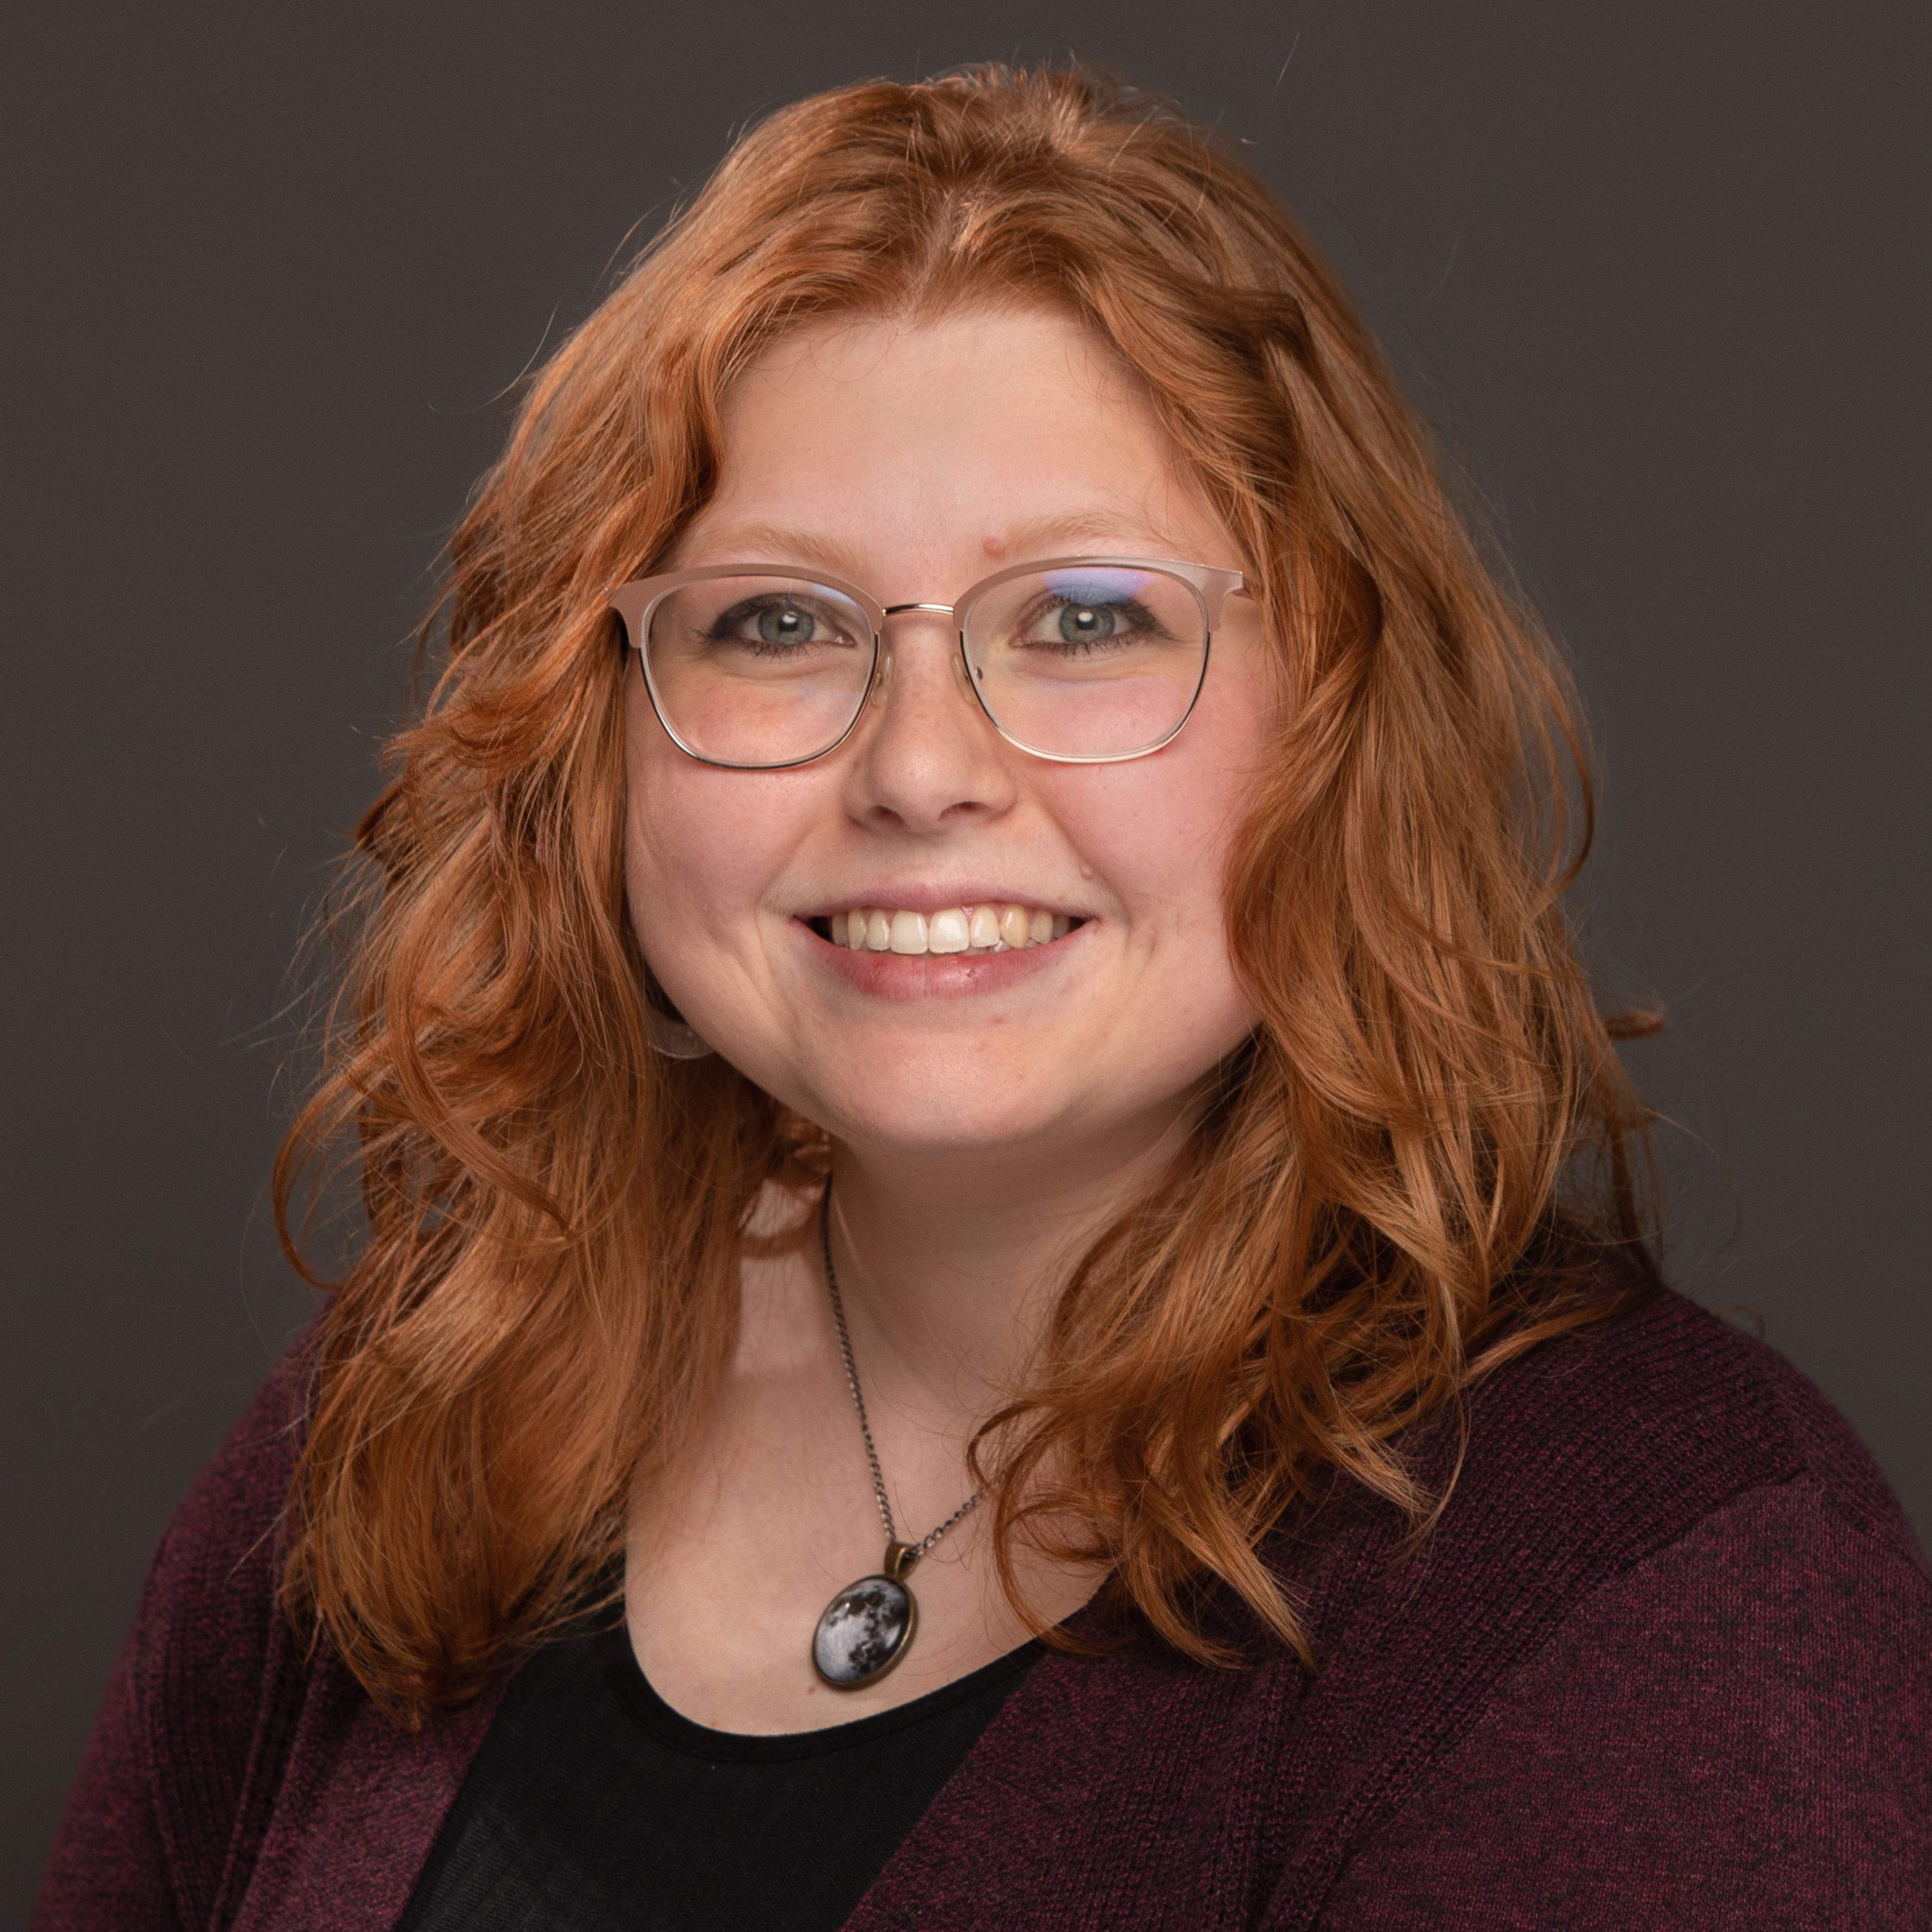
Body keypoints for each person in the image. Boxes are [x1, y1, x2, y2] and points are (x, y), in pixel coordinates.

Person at [35, 65, 1931, 1931]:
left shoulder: (1654, 1589)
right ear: (596, 736)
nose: (920, 769)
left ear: (1335, 718)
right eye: (776, 622)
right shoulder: (435, 1410)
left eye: (1087, 617)